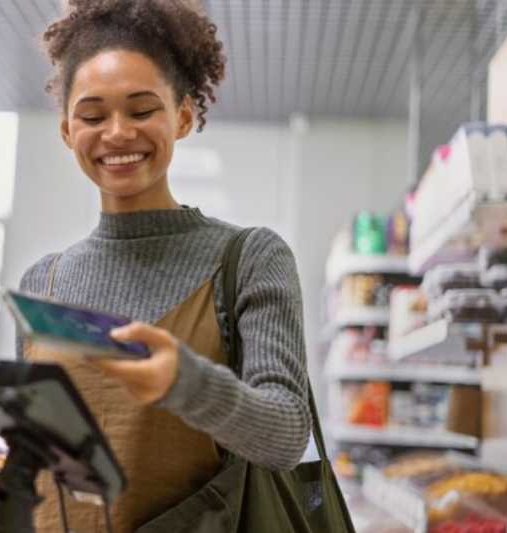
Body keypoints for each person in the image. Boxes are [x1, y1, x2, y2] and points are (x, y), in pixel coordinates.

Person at [18, 1, 311, 531]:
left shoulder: (250, 259)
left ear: (182, 116)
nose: (116, 133)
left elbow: (287, 435)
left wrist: (188, 384)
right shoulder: (45, 281)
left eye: (141, 109)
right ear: (66, 131)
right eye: (92, 115)